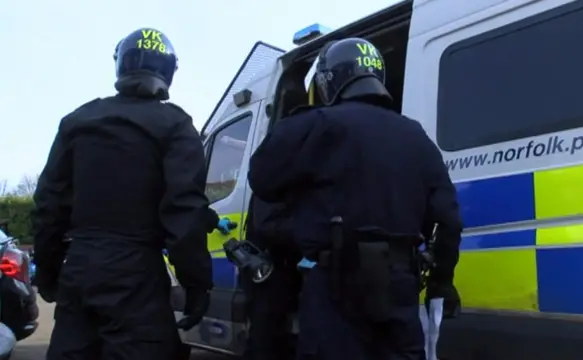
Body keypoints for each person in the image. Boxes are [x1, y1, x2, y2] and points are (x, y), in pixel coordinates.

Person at [248, 38, 462, 360]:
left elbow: (262, 179)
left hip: (336, 288)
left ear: (328, 81)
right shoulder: (415, 136)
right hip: (400, 285)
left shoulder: (316, 125)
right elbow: (448, 220)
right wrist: (442, 283)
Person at [32, 28, 234, 360]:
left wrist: (50, 272)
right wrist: (197, 285)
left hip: (79, 271)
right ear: (168, 72)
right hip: (136, 277)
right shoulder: (175, 125)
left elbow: (48, 206)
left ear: (122, 66)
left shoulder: (78, 121)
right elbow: (184, 215)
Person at [241, 194, 302, 360]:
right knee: (266, 343)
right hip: (271, 275)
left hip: (286, 274)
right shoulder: (273, 180)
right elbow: (267, 225)